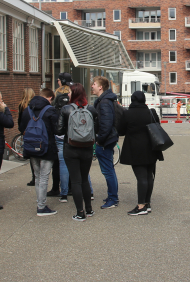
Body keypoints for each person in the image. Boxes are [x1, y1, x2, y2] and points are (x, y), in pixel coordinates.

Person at [117, 91, 163, 215]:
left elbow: (120, 131)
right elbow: (157, 125)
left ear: (132, 100)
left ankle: (141, 206)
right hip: (152, 148)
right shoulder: (151, 112)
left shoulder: (127, 114)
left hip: (135, 149)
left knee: (141, 177)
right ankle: (147, 203)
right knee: (149, 176)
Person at [56, 83, 98, 221]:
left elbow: (59, 130)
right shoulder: (91, 109)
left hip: (71, 148)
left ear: (73, 94)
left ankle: (80, 212)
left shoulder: (66, 109)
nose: (67, 94)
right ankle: (89, 209)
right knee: (85, 178)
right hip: (87, 148)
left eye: (69, 92)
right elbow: (96, 128)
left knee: (75, 180)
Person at [19, 87, 59, 216]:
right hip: (47, 148)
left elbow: (21, 127)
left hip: (31, 146)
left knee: (37, 176)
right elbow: (58, 130)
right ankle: (41, 207)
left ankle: (39, 202)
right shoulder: (50, 110)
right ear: (49, 98)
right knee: (44, 177)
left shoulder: (27, 110)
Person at [91, 76, 119, 209]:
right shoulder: (105, 101)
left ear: (100, 87)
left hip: (105, 141)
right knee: (109, 170)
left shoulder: (104, 102)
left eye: (94, 84)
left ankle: (113, 198)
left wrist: (100, 140)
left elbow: (106, 124)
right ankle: (112, 196)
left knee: (108, 170)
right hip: (107, 140)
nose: (92, 86)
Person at [18, 88, 37, 186]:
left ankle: (34, 177)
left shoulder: (22, 106)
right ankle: (38, 176)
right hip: (36, 132)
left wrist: (22, 131)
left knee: (31, 155)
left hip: (27, 133)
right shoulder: (36, 105)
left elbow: (20, 121)